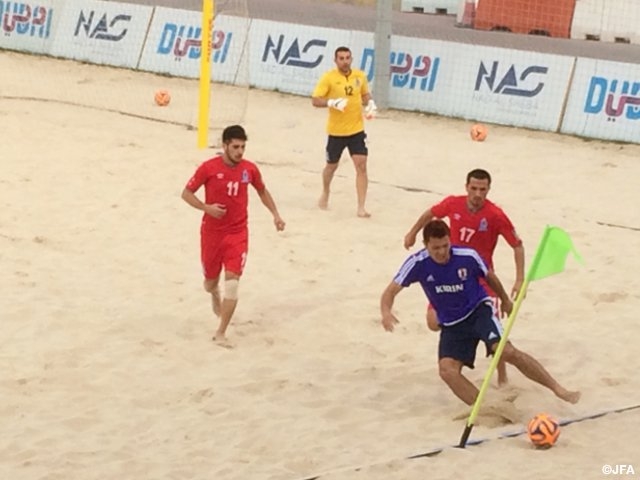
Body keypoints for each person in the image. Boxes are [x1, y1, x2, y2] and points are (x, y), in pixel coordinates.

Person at [381, 219, 580, 407]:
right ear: (426, 245)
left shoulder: (467, 256)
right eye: (436, 248)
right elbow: (390, 291)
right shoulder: (417, 263)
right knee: (447, 371)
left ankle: (558, 389)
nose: (442, 252)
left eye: (445, 245)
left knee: (506, 351)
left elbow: (490, 277)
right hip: (451, 324)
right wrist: (386, 312)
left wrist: (504, 299)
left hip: (478, 311)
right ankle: (486, 407)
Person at [403, 168, 524, 386]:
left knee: (496, 337)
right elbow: (430, 213)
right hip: (449, 276)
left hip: (481, 279)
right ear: (466, 187)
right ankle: (466, 337)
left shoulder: (495, 215)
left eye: (483, 189)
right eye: (474, 188)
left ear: (488, 190)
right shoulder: (453, 204)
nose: (478, 193)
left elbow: (517, 245)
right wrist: (412, 232)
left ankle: (502, 376)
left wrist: (519, 279)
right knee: (432, 322)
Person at [181, 125, 285, 345]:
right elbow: (186, 193)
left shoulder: (250, 169)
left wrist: (275, 214)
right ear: (225, 145)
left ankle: (220, 332)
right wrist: (206, 207)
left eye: (243, 147)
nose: (240, 152)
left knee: (233, 283)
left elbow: (262, 191)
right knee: (209, 282)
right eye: (235, 147)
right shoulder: (208, 168)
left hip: (237, 233)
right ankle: (213, 293)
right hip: (211, 233)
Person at [311, 46, 377, 218]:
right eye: (341, 58)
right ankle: (326, 191)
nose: (345, 61)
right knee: (331, 166)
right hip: (336, 132)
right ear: (336, 60)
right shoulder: (329, 78)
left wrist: (370, 104)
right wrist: (332, 103)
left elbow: (364, 94)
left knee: (361, 166)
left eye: (347, 58)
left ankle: (361, 207)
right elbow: (315, 100)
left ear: (351, 59)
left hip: (356, 129)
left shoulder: (359, 76)